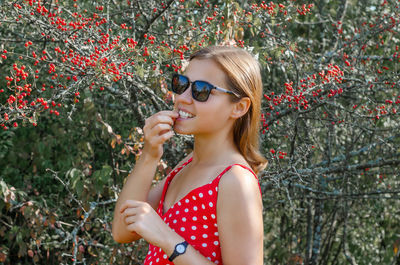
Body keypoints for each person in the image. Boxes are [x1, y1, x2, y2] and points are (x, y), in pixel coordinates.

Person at [112, 45, 267, 265]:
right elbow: (121, 230)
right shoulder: (187, 166)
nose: (182, 98)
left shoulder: (235, 181)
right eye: (181, 84)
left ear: (239, 107)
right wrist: (149, 155)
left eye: (201, 90)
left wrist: (168, 239)